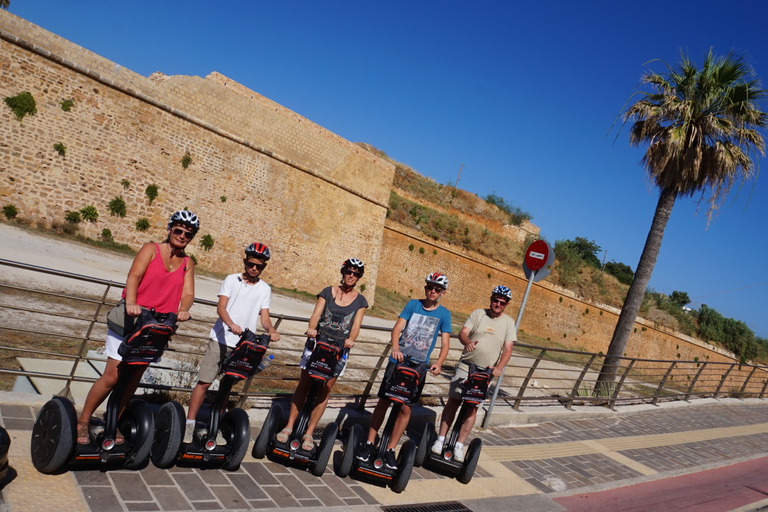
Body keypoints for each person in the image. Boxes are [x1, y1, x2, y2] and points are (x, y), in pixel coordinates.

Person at [77, 210, 198, 444]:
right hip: (131, 319)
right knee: (113, 375)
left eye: (188, 234)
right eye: (179, 230)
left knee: (134, 376)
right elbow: (134, 276)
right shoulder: (150, 249)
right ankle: (83, 420)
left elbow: (189, 293)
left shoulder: (187, 263)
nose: (182, 236)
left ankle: (112, 422)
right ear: (170, 229)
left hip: (158, 326)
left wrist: (183, 309)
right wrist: (131, 302)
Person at [184, 242, 280, 443]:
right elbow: (221, 307)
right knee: (205, 381)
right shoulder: (231, 280)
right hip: (221, 339)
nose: (254, 268)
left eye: (259, 266)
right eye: (251, 264)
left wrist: (270, 330)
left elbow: (264, 317)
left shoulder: (264, 289)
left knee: (226, 388)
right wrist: (231, 324)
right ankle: (189, 424)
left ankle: (215, 427)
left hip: (243, 345)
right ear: (245, 261)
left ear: (264, 267)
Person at [357, 272, 452, 470]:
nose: (432, 291)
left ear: (442, 292)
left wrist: (439, 363)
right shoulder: (413, 305)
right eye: (429, 287)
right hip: (398, 360)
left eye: (436, 289)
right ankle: (369, 443)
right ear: (425, 287)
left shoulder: (444, 314)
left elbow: (445, 344)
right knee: (384, 400)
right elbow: (397, 328)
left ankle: (391, 449)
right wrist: (396, 348)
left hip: (419, 365)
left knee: (406, 407)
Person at [277, 258, 369, 451]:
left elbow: (356, 326)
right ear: (343, 272)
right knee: (305, 383)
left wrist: (350, 340)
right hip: (318, 342)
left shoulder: (360, 301)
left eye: (356, 273)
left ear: (359, 277)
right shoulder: (328, 291)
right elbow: (316, 315)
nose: (351, 275)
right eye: (349, 271)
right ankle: (289, 426)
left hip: (338, 349)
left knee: (325, 389)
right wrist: (311, 328)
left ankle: (309, 433)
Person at [432, 285, 516, 462]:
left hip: (486, 373)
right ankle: (440, 440)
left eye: (502, 302)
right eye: (496, 300)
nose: (498, 304)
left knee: (472, 409)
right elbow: (463, 333)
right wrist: (467, 342)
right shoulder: (479, 313)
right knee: (453, 402)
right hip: (466, 366)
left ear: (506, 304)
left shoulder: (508, 322)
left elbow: (508, 349)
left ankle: (459, 446)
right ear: (491, 299)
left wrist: (499, 367)